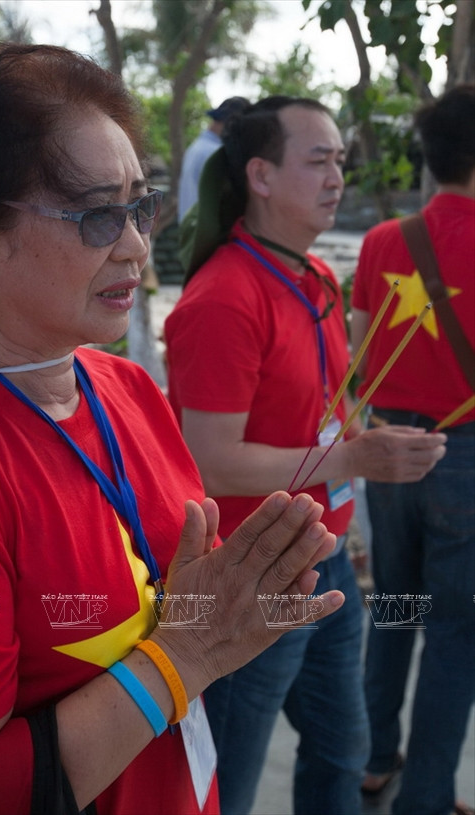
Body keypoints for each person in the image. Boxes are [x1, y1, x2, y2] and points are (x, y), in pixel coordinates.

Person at [0, 44, 347, 815]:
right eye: (97, 214)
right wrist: (184, 657)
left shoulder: (127, 388)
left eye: (140, 205)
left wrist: (216, 617)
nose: (135, 245)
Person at [164, 96, 447, 815]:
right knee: (227, 777)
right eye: (318, 159)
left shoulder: (315, 275)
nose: (337, 176)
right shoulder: (225, 297)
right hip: (247, 573)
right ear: (259, 175)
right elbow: (212, 461)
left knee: (342, 750)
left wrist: (363, 440)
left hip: (319, 557)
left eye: (340, 161)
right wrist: (355, 461)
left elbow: (320, 409)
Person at [352, 84, 475, 815]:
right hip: (465, 456)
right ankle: (424, 796)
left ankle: (371, 758)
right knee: (457, 630)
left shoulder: (381, 243)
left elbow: (360, 351)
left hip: (387, 447)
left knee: (393, 605)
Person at [177, 96, 249, 222]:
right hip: (205, 232)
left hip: (191, 231)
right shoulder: (216, 152)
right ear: (232, 123)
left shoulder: (197, 147)